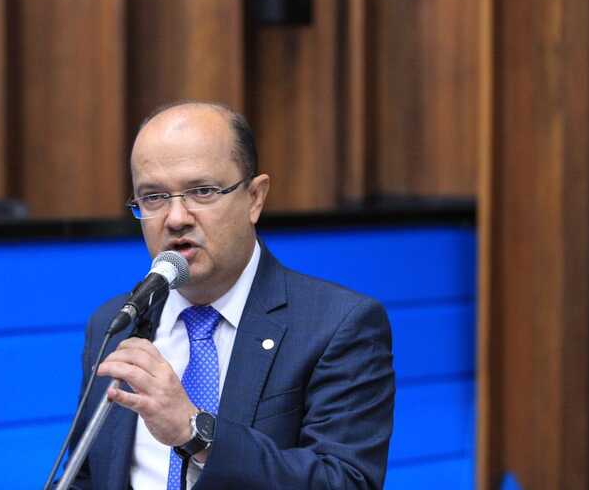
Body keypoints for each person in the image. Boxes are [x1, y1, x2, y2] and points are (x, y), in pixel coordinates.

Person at [69, 102, 395, 490]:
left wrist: (196, 432)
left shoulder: (338, 325)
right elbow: (87, 477)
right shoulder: (115, 323)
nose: (176, 218)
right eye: (153, 197)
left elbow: (345, 482)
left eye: (202, 191)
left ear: (255, 198)